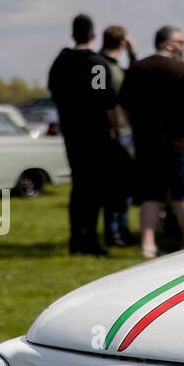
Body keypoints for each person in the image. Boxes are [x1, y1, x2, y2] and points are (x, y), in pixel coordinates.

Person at [119, 25, 184, 258]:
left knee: (151, 197)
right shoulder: (183, 70)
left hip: (148, 145)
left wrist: (136, 126)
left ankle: (147, 245)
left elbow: (125, 106)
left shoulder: (137, 69)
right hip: (182, 145)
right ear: (168, 44)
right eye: (181, 42)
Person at [47, 13, 116, 256]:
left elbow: (54, 93)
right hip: (95, 134)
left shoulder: (61, 62)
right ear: (93, 35)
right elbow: (104, 100)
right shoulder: (96, 64)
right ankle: (90, 239)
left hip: (72, 133)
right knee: (95, 188)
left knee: (79, 186)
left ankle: (77, 237)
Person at [99, 24, 136, 248]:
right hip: (116, 132)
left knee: (125, 186)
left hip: (122, 131)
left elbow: (133, 79)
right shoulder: (103, 67)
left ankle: (121, 229)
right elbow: (105, 101)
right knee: (116, 188)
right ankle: (114, 232)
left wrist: (132, 55)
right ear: (122, 42)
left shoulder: (113, 67)